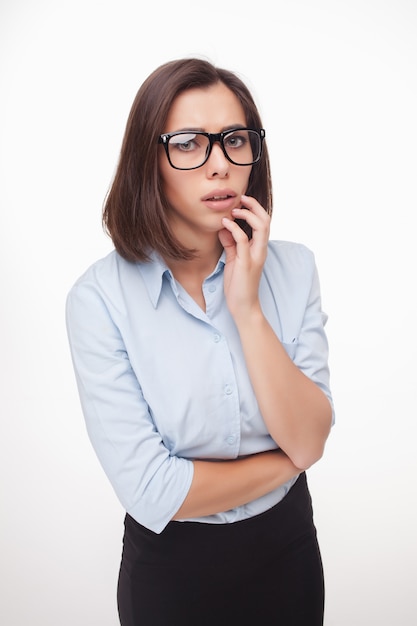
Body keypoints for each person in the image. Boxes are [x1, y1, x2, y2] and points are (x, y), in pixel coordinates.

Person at [66, 57, 334, 626]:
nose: (219, 165)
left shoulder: (295, 270)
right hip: (171, 571)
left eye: (235, 140)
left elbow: (310, 436)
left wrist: (247, 310)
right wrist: (290, 459)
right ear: (150, 159)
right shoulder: (99, 299)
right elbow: (152, 490)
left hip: (288, 551)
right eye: (189, 143)